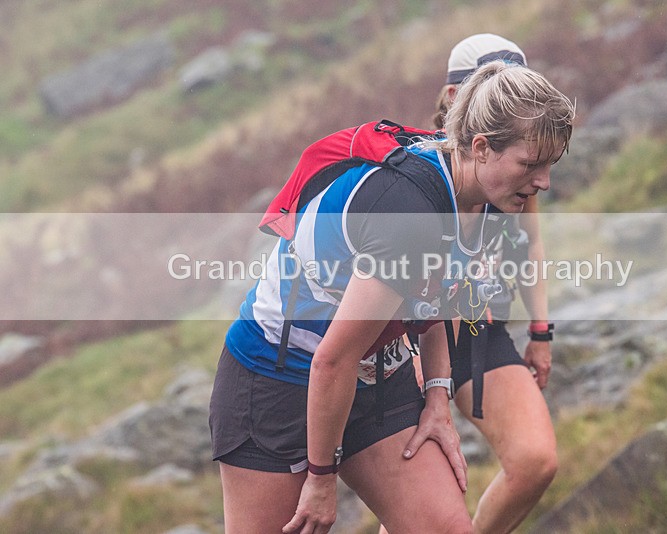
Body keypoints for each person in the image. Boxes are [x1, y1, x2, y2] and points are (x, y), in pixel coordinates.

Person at [208, 59, 574, 534]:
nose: (543, 182)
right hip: (278, 377)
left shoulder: (484, 196)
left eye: (549, 166)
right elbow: (332, 360)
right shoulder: (410, 215)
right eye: (530, 164)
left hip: (376, 376)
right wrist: (321, 478)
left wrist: (438, 395)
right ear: (481, 147)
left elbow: (437, 297)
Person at [436, 34, 562, 534]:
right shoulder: (426, 174)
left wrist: (540, 331)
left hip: (478, 330)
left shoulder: (519, 168)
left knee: (535, 461)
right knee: (421, 508)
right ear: (454, 97)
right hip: (411, 342)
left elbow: (531, 245)